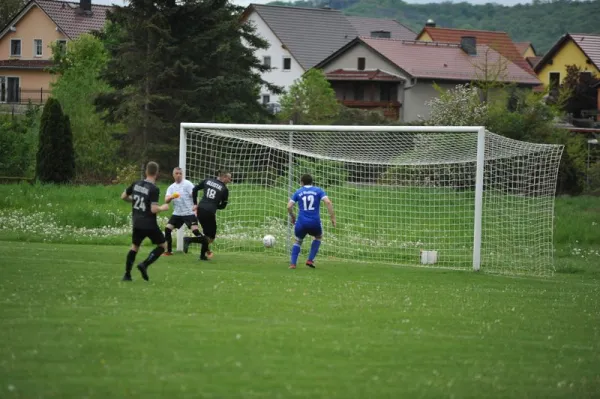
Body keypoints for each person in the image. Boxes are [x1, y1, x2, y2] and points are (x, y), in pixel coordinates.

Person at [120, 161, 170, 281]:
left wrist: (136, 201)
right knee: (163, 246)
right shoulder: (154, 189)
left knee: (134, 247)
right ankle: (144, 264)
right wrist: (163, 207)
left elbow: (123, 197)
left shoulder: (136, 183)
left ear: (146, 171)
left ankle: (127, 275)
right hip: (149, 224)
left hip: (137, 222)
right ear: (156, 173)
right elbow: (153, 209)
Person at [287, 174, 336, 269]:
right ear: (312, 182)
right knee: (318, 237)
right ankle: (310, 260)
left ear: (301, 182)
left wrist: (293, 217)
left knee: (298, 240)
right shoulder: (318, 190)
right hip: (315, 222)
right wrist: (332, 218)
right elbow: (328, 202)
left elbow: (289, 206)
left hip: (301, 222)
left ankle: (293, 264)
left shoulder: (298, 191)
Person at [162, 167, 207, 256]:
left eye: (180, 173)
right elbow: (166, 200)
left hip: (189, 212)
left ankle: (207, 250)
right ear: (173, 175)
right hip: (177, 213)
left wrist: (195, 205)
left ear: (182, 174)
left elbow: (194, 194)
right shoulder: (171, 187)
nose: (179, 175)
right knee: (167, 229)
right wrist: (171, 197)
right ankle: (169, 251)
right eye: (177, 173)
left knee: (195, 231)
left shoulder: (187, 184)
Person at [192, 170, 232, 260]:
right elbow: (223, 205)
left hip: (200, 209)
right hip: (209, 212)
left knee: (206, 234)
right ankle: (188, 240)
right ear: (224, 177)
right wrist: (215, 206)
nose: (230, 180)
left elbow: (194, 189)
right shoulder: (224, 189)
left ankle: (202, 256)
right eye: (229, 178)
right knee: (211, 237)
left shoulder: (207, 180)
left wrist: (195, 203)